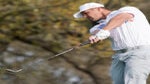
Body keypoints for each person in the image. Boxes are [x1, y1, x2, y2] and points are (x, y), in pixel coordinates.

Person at [73, 2, 150, 84]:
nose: (85, 16)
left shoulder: (127, 10)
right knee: (118, 82)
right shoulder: (99, 25)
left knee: (134, 80)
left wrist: (104, 31)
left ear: (98, 8)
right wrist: (96, 36)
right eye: (83, 15)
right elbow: (96, 31)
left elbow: (122, 17)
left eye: (86, 13)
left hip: (140, 51)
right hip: (119, 55)